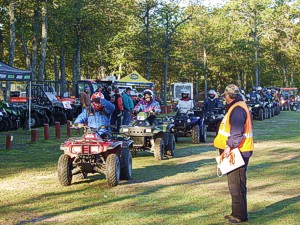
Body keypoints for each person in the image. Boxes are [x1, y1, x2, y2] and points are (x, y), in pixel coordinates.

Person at [214, 84, 253, 224]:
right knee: (237, 182)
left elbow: (236, 132)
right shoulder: (238, 106)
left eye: (225, 95)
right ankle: (237, 212)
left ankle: (239, 215)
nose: (224, 97)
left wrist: (228, 148)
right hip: (239, 149)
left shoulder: (237, 109)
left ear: (228, 95)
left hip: (238, 151)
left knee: (236, 184)